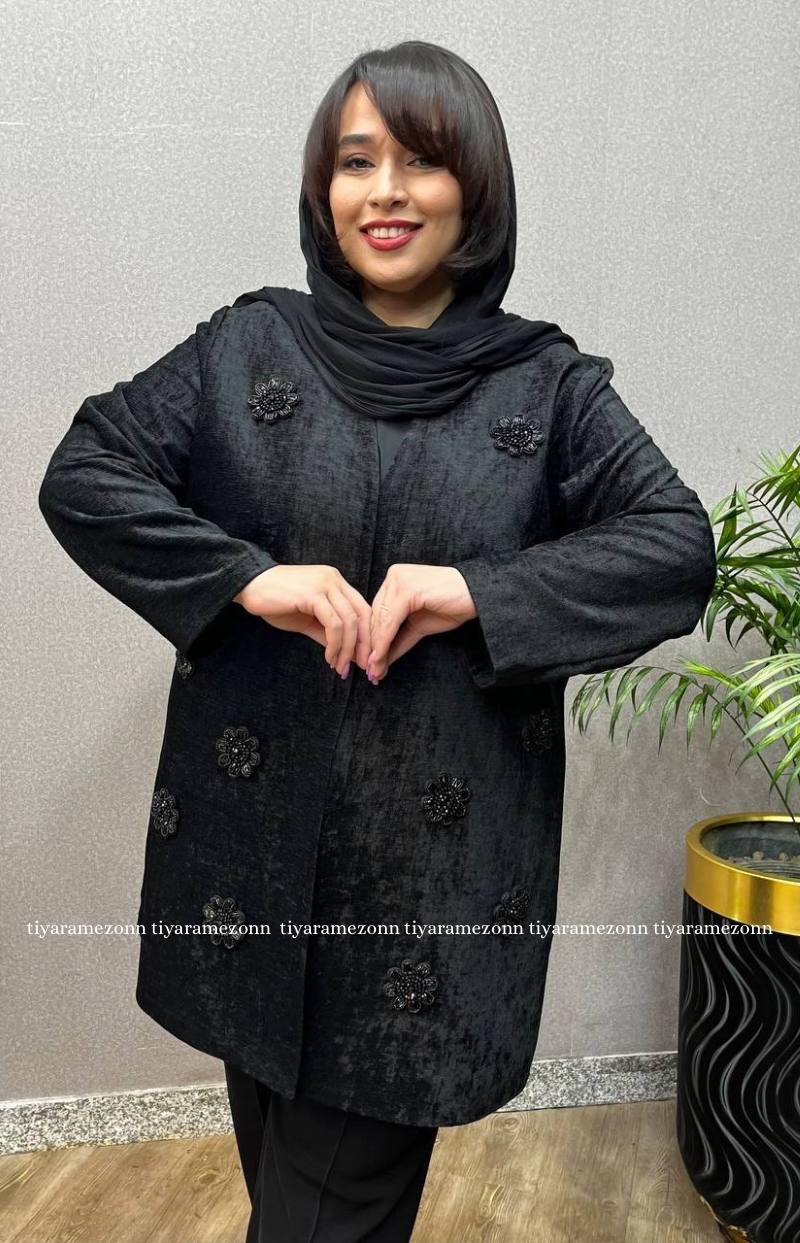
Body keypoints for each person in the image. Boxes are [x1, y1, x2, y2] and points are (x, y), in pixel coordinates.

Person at [37, 39, 718, 1243]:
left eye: (421, 161)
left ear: (475, 188)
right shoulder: (248, 348)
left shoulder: (545, 388)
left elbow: (672, 547)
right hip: (246, 873)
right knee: (290, 1187)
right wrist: (248, 578)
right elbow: (87, 471)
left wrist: (472, 591)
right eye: (355, 162)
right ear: (323, 189)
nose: (385, 192)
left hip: (424, 907)